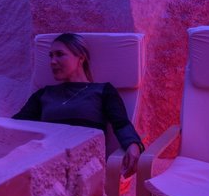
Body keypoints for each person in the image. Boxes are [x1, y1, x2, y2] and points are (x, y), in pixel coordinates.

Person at [13, 33, 144, 177]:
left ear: (81, 58)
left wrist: (133, 144)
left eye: (59, 54)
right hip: (46, 163)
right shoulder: (44, 94)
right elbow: (17, 125)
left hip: (85, 166)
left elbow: (121, 124)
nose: (52, 61)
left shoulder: (102, 91)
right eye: (51, 56)